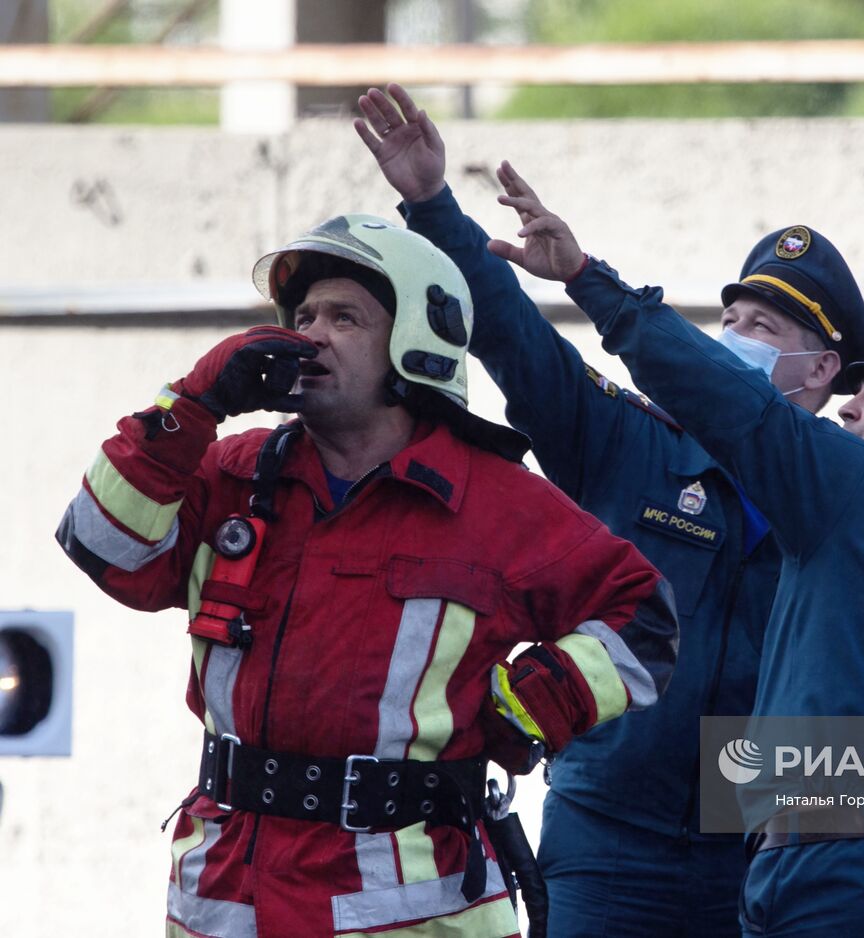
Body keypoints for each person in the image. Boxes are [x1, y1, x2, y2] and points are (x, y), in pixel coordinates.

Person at [472, 165, 864, 936]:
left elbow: (722, 397)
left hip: (818, 873)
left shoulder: (858, 493)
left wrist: (585, 277)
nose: (851, 407)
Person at [54, 214, 678, 938]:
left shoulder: (498, 500)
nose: (310, 333)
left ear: (417, 341)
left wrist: (529, 707)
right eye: (305, 314)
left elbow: (645, 618)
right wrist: (192, 404)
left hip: (413, 909)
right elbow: (101, 547)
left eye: (345, 317)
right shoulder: (231, 471)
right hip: (224, 900)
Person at [354, 84, 864, 936]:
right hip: (606, 839)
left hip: (765, 852)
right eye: (730, 317)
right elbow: (514, 338)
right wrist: (432, 204)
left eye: (765, 327)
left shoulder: (850, 499)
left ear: (821, 370)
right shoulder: (633, 442)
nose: (732, 337)